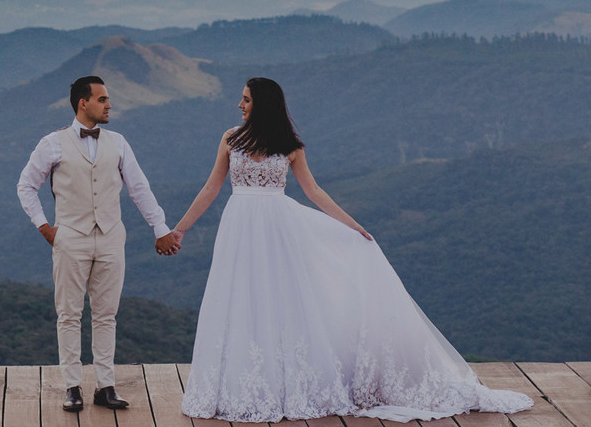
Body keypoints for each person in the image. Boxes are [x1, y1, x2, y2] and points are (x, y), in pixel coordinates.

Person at [172, 77, 533, 423]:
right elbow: (210, 189)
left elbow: (314, 192)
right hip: (239, 228)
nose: (239, 104)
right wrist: (180, 229)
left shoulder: (290, 145)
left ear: (262, 104)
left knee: (282, 304)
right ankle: (240, 384)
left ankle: (284, 385)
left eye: (246, 99)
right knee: (240, 301)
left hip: (279, 230)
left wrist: (353, 226)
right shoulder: (230, 139)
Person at [17, 75, 181, 412]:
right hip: (69, 239)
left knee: (107, 316)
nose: (109, 105)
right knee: (69, 315)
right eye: (103, 99)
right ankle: (72, 386)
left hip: (110, 239)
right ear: (83, 103)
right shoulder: (52, 143)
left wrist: (160, 227)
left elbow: (139, 188)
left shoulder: (118, 142)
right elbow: (25, 186)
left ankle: (105, 386)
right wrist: (45, 228)